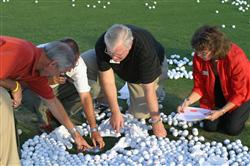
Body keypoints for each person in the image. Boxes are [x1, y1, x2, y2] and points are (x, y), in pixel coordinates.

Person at [0, 36, 90, 165]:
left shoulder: (37, 72)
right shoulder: (22, 53)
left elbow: (52, 102)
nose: (56, 76)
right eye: (59, 72)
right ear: (52, 64)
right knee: (2, 101)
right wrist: (15, 87)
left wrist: (75, 134)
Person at [21, 38, 105, 149]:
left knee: (93, 88)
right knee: (30, 98)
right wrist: (48, 80)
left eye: (72, 65)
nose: (70, 69)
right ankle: (44, 120)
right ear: (55, 61)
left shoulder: (78, 64)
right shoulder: (38, 55)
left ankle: (60, 116)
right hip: (36, 88)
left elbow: (85, 96)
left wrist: (93, 129)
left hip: (60, 89)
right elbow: (19, 83)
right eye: (67, 66)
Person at [88, 24, 168, 137]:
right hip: (127, 69)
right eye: (110, 53)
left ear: (129, 46)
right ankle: (102, 100)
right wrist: (115, 111)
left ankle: (158, 92)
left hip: (149, 70)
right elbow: (108, 82)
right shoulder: (103, 45)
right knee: (86, 62)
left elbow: (148, 90)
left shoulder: (145, 51)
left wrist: (156, 121)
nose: (113, 58)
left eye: (118, 55)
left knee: (140, 114)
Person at [177, 25, 250, 135]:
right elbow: (199, 87)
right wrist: (187, 102)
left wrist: (222, 111)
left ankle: (240, 111)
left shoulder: (236, 58)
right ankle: (223, 111)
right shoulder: (199, 57)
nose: (198, 55)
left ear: (216, 49)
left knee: (232, 129)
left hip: (241, 94)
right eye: (197, 51)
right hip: (218, 90)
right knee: (210, 126)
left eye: (203, 53)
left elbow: (240, 93)